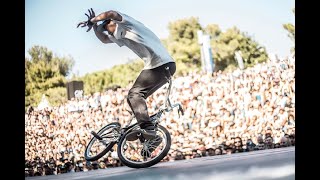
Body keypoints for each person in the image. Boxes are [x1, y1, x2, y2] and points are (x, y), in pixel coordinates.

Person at [77, 9, 176, 144]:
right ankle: (149, 140)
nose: (108, 30)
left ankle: (149, 130)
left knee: (134, 94)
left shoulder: (127, 24)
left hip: (160, 64)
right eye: (106, 29)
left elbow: (111, 13)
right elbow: (104, 40)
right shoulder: (119, 35)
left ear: (114, 23)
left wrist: (93, 20)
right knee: (133, 99)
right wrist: (95, 27)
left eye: (108, 26)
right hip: (162, 66)